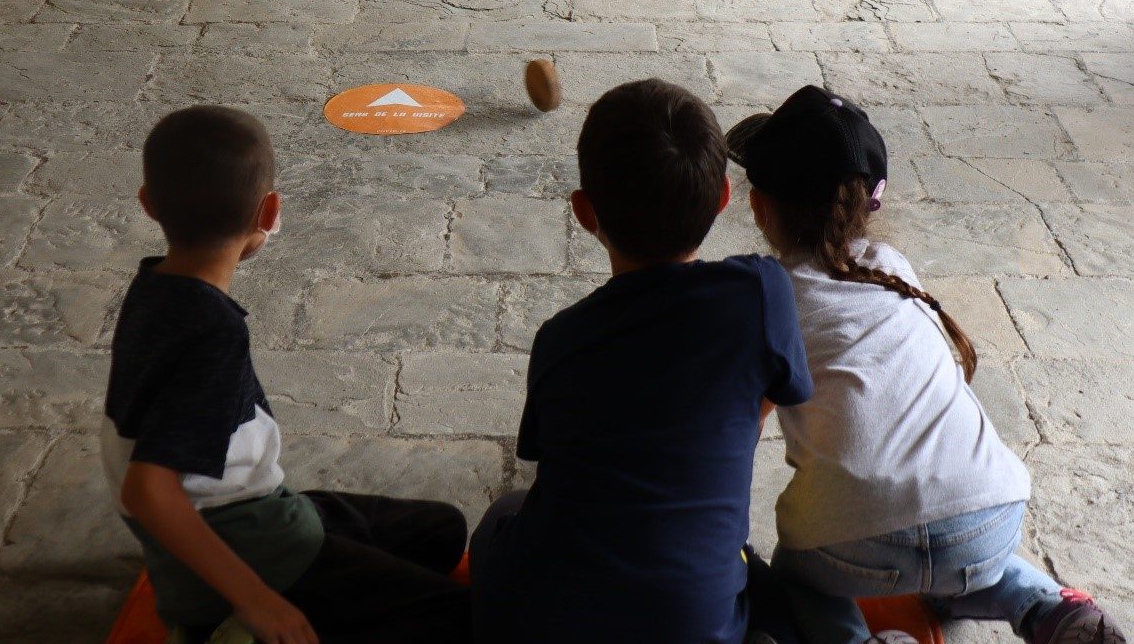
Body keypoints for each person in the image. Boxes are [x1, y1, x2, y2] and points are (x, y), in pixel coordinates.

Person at [727, 86, 1126, 644]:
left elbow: (739, 419)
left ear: (758, 205)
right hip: (989, 516)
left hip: (856, 549)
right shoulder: (892, 266)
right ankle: (1049, 608)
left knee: (798, 574)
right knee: (955, 553)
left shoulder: (765, 294)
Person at [101, 105, 472, 644]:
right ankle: (223, 623)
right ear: (269, 210)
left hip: (260, 510)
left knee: (441, 531)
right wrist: (258, 602)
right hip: (247, 541)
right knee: (467, 621)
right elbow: (148, 490)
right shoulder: (211, 334)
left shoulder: (154, 287)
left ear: (148, 204)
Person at [470, 78, 814, 644]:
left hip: (541, 622)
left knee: (501, 515)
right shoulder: (759, 293)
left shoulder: (560, 340)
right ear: (725, 197)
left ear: (584, 213)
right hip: (697, 626)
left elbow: (545, 454)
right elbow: (780, 389)